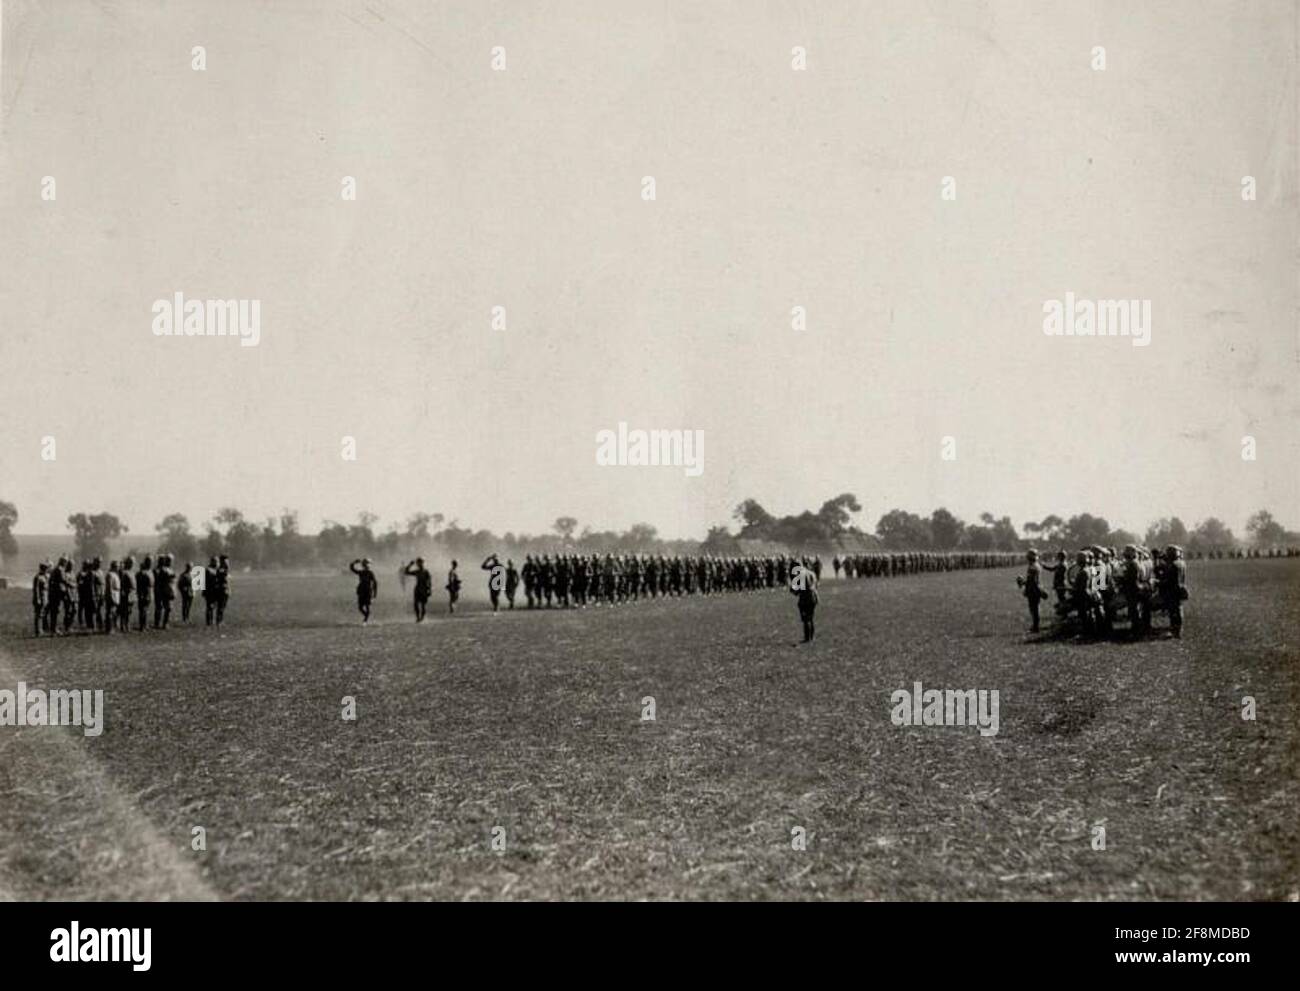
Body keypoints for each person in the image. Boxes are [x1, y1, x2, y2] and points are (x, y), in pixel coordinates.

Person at [1016, 549, 1047, 632]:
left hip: (1033, 590)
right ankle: (1035, 626)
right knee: (1035, 608)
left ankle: (1035, 627)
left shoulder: (1032, 567)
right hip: (1036, 588)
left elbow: (1032, 581)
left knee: (1034, 609)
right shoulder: (1036, 565)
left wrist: (1022, 582)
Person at [1160, 545, 1187, 638]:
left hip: (1172, 590)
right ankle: (1178, 630)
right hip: (1180, 588)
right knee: (1179, 609)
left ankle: (1174, 630)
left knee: (1173, 611)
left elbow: (1169, 580)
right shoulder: (1182, 563)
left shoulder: (1173, 565)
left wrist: (1159, 582)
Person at [790, 560, 819, 643]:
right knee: (811, 618)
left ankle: (807, 638)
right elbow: (816, 585)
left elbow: (796, 590)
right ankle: (812, 637)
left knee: (806, 619)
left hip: (805, 599)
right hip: (813, 597)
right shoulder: (812, 573)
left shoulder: (800, 575)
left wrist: (794, 590)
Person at [349, 558, 378, 624]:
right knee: (360, 607)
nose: (366, 566)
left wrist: (375, 594)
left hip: (367, 591)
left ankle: (365, 620)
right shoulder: (361, 572)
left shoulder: (370, 573)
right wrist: (354, 562)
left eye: (366, 565)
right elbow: (352, 568)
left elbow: (375, 583)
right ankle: (366, 616)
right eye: (365, 565)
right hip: (361, 591)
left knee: (367, 606)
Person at [403, 557, 432, 622]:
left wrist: (429, 590)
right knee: (415, 604)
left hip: (424, 589)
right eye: (418, 563)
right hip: (418, 589)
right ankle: (418, 617)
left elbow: (429, 581)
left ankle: (422, 617)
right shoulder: (417, 571)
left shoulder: (426, 572)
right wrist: (410, 565)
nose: (419, 564)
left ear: (422, 563)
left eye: (420, 563)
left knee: (423, 605)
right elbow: (406, 572)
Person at [32, 562, 50, 636]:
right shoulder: (38, 577)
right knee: (38, 614)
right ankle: (38, 631)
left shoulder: (45, 576)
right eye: (45, 568)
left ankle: (42, 629)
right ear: (42, 568)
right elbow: (36, 589)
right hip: (40, 597)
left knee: (43, 613)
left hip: (45, 597)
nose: (46, 570)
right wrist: (38, 599)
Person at [103, 561, 121, 635]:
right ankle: (109, 629)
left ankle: (112, 627)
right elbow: (109, 587)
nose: (118, 568)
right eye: (117, 566)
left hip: (116, 593)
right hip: (112, 594)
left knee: (113, 612)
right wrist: (111, 596)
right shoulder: (110, 575)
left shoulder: (115, 574)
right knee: (110, 612)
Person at [136, 556, 153, 632]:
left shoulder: (150, 571)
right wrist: (141, 594)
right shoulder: (141, 573)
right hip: (143, 592)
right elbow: (139, 585)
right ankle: (142, 626)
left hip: (149, 592)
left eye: (151, 562)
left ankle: (145, 625)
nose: (150, 563)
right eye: (149, 562)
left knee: (146, 610)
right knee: (143, 610)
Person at [118, 556, 135, 632]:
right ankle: (122, 626)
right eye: (130, 563)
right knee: (124, 611)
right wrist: (122, 592)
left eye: (132, 563)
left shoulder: (132, 572)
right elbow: (121, 583)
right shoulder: (123, 572)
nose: (132, 564)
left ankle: (127, 625)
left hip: (132, 593)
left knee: (129, 611)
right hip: (126, 593)